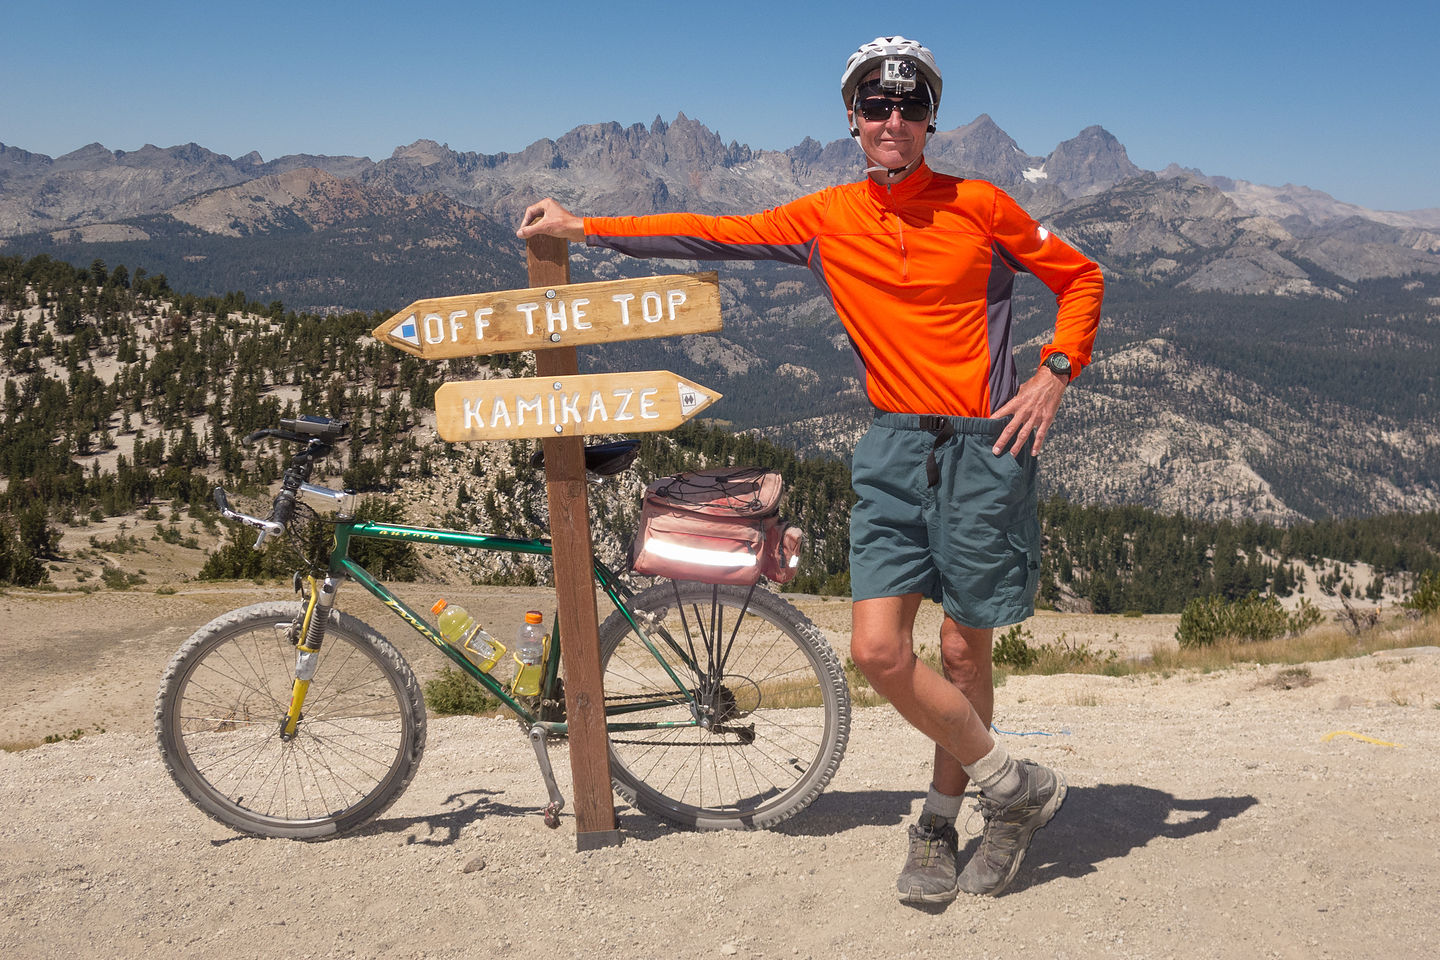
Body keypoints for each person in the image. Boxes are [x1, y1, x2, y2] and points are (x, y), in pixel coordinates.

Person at [518, 35, 1103, 903]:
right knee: (877, 650)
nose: (892, 118)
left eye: (908, 104)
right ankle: (1014, 787)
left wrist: (1056, 373)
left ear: (931, 117)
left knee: (960, 648)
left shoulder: (983, 205)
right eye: (876, 104)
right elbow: (707, 233)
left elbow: (1082, 278)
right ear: (854, 118)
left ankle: (942, 821)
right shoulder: (828, 217)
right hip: (894, 445)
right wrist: (583, 227)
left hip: (985, 445)